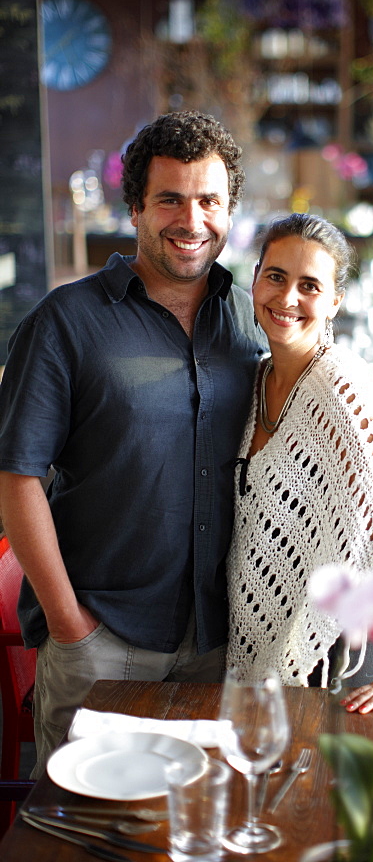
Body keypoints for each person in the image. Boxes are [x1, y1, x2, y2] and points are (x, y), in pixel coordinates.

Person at [0, 110, 265, 774]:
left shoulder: (252, 322)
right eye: (170, 199)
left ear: (230, 210)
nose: (191, 220)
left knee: (198, 822)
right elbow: (17, 476)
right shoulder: (66, 322)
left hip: (219, 641)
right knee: (85, 833)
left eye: (208, 200)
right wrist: (70, 628)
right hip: (103, 638)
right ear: (136, 209)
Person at [227, 213, 373, 713]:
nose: (287, 298)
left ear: (335, 302)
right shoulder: (257, 377)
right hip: (253, 643)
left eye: (309, 286)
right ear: (254, 281)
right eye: (275, 277)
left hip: (330, 657)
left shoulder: (344, 391)